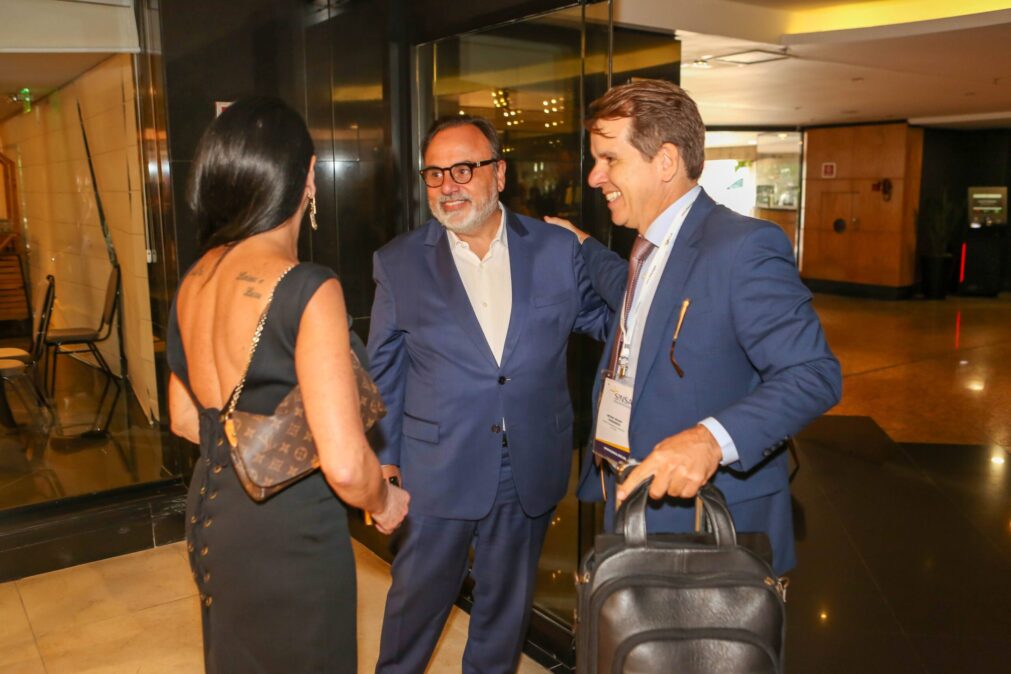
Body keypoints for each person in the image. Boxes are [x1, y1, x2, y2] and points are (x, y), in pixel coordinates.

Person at [545, 79, 841, 575]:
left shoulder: (744, 248)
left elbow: (814, 374)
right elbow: (626, 287)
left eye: (609, 159)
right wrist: (582, 244)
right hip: (634, 505)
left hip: (710, 529)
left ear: (665, 161)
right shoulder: (647, 249)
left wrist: (708, 440)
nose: (595, 177)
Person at [166, 97, 409, 673]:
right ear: (309, 178)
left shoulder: (194, 280)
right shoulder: (308, 287)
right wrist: (384, 499)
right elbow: (345, 466)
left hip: (213, 519)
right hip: (289, 534)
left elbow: (184, 418)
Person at [368, 114, 609, 673]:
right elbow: (383, 373)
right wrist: (384, 465)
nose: (447, 186)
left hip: (526, 467)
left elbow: (616, 320)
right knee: (413, 615)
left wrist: (600, 254)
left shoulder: (556, 249)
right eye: (434, 174)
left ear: (499, 174)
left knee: (503, 622)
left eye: (463, 169)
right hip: (435, 469)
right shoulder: (398, 262)